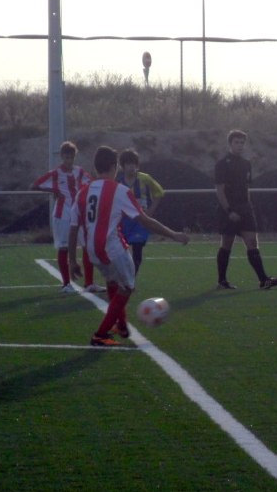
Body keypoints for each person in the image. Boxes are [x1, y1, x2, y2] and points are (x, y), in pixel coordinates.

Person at [69, 146, 189, 347]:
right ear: (114, 166)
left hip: (92, 251)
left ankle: (122, 326)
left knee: (112, 282)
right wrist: (173, 235)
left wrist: (72, 260)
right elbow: (146, 220)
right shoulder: (120, 190)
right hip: (113, 249)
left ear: (95, 167)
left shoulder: (84, 191)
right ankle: (100, 334)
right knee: (127, 288)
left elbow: (73, 228)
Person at [31, 141, 104, 294]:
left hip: (79, 215)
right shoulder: (55, 173)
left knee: (87, 247)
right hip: (62, 215)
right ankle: (66, 284)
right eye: (66, 157)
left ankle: (89, 283)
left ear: (74, 157)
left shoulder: (79, 172)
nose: (69, 160)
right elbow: (35, 185)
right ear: (62, 157)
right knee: (63, 247)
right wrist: (54, 190)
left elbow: (92, 184)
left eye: (71, 157)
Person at [214, 129, 277, 290]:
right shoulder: (222, 164)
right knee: (227, 244)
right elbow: (219, 190)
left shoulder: (246, 164)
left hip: (245, 209)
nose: (240, 145)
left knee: (252, 242)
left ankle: (263, 280)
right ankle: (222, 281)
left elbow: (246, 188)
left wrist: (248, 207)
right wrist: (229, 211)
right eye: (236, 142)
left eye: (242, 142)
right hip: (230, 209)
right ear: (230, 144)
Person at [115, 148, 165, 274]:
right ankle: (123, 276)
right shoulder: (118, 181)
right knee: (121, 251)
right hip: (123, 221)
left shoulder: (145, 178)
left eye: (134, 164)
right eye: (128, 164)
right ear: (123, 166)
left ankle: (132, 277)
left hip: (140, 220)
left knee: (137, 249)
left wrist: (150, 211)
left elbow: (159, 193)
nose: (131, 167)